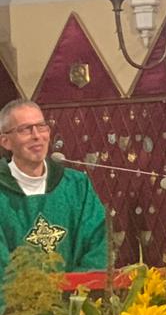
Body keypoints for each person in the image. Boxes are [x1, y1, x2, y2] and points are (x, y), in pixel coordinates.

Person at [0, 101, 108, 279]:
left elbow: (99, 245)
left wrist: (76, 289)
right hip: (16, 296)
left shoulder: (77, 185)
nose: (36, 136)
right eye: (25, 129)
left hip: (79, 294)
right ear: (5, 141)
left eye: (41, 126)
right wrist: (28, 293)